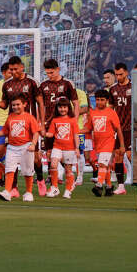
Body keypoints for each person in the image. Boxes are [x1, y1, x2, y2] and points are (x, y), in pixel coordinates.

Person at [37, 58, 78, 195]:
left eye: (52, 72)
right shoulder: (43, 85)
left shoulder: (67, 84)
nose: (50, 75)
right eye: (47, 73)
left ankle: (68, 179)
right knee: (49, 154)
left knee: (64, 156)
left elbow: (76, 103)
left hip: (64, 125)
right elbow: (40, 105)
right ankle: (54, 181)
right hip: (49, 124)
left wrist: (75, 120)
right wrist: (41, 122)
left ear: (58, 69)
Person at [0, 96, 40, 202]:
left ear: (24, 104)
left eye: (18, 104)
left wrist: (33, 145)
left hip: (26, 147)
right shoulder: (10, 117)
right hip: (11, 147)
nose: (15, 107)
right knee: (9, 169)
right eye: (14, 105)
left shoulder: (29, 117)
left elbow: (36, 133)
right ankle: (7, 192)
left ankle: (29, 193)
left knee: (28, 171)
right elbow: (4, 131)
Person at [88, 89, 122, 197]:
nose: (99, 102)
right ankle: (109, 187)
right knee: (105, 166)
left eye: (102, 100)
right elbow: (88, 128)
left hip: (109, 142)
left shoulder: (111, 113)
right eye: (97, 100)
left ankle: (98, 185)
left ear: (107, 101)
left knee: (102, 164)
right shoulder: (92, 113)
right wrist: (76, 130)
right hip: (98, 143)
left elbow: (118, 129)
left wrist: (122, 145)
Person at [45, 98, 80, 199]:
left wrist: (77, 148)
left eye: (65, 107)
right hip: (57, 147)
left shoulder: (73, 120)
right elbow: (51, 134)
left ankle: (68, 190)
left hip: (70, 149)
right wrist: (42, 132)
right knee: (53, 164)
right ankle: (54, 187)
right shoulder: (55, 120)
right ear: (57, 108)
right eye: (60, 107)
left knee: (68, 170)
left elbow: (76, 135)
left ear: (68, 108)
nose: (62, 109)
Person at [109, 62, 132, 193]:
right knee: (118, 155)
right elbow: (111, 109)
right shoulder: (113, 89)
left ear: (127, 73)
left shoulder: (134, 87)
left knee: (130, 155)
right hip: (118, 128)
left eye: (121, 74)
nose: (118, 77)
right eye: (117, 74)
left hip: (131, 126)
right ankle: (121, 186)